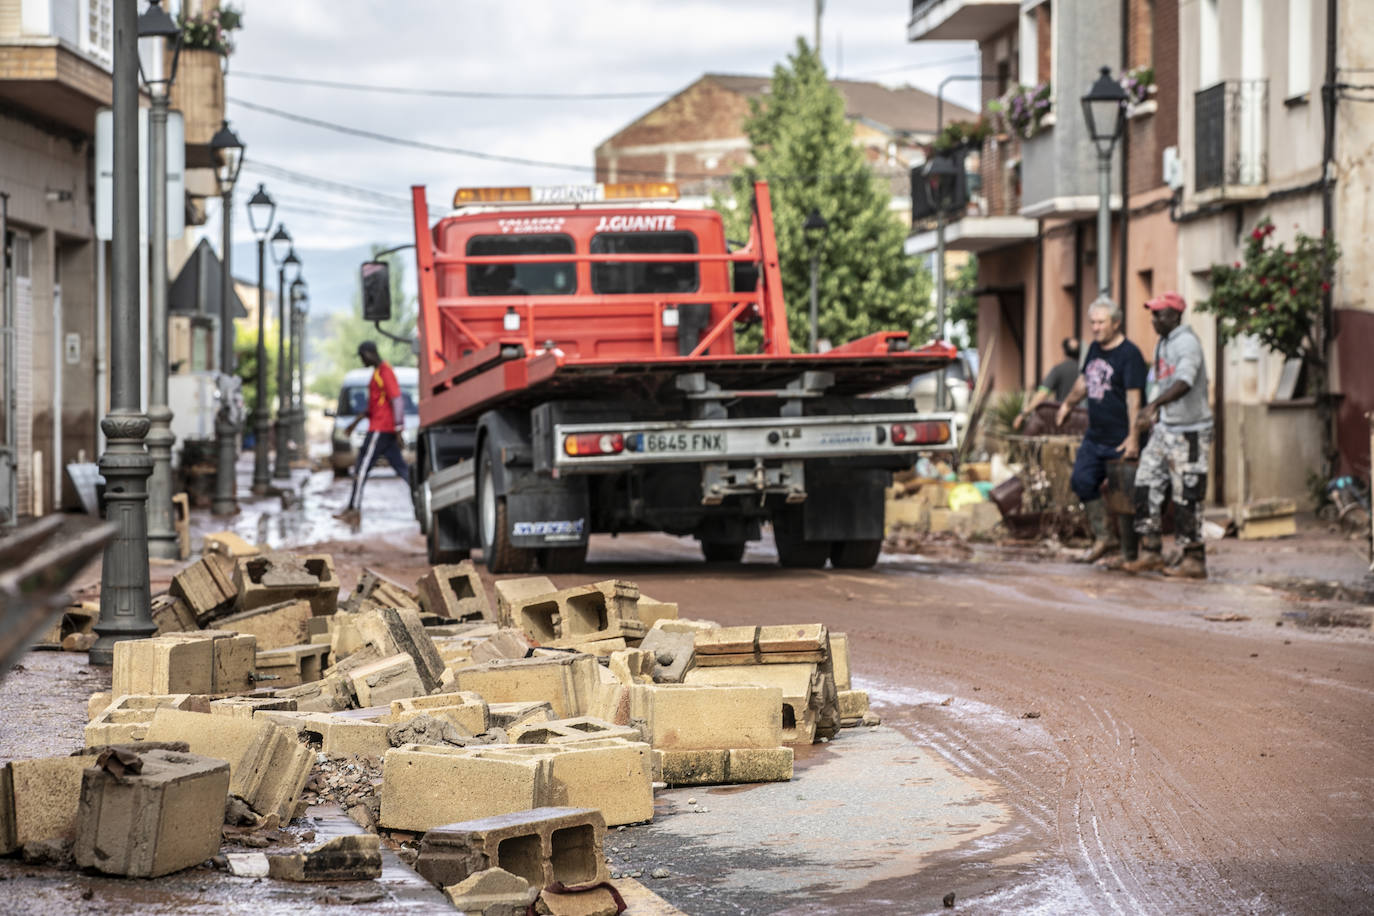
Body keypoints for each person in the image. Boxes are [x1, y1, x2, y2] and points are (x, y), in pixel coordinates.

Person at [1122, 292, 1214, 578]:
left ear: (1175, 316)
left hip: (1191, 431)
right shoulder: (1163, 343)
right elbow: (1159, 382)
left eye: (1159, 314)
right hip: (1166, 428)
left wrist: (1155, 405)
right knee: (1146, 483)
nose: (1154, 320)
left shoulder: (1186, 343)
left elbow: (1184, 381)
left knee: (1187, 494)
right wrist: (1153, 413)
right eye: (1152, 314)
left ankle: (1193, 559)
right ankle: (1150, 551)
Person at [1055, 298, 1147, 562]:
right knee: (1082, 481)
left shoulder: (1129, 354)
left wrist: (1133, 437)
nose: (1095, 328)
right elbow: (1084, 382)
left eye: (1100, 322)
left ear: (1116, 323)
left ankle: (1129, 554)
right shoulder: (1094, 348)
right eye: (1092, 322)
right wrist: (1066, 407)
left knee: (1124, 496)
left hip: (1121, 437)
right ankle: (1105, 537)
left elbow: (1134, 400)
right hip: (1096, 436)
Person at [334, 341, 409, 526]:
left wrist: (398, 430)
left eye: (361, 356)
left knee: (361, 468)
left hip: (380, 430)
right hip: (383, 429)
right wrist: (354, 423)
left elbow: (397, 400)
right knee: (403, 470)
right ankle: (422, 498)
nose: (361, 361)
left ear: (368, 354)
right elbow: (374, 407)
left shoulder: (385, 372)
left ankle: (353, 510)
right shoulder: (377, 373)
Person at [1014, 337, 1081, 430]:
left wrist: (1024, 413)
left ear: (1064, 351)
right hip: (1085, 419)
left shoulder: (1059, 370)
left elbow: (1042, 394)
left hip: (1064, 419)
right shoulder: (1087, 370)